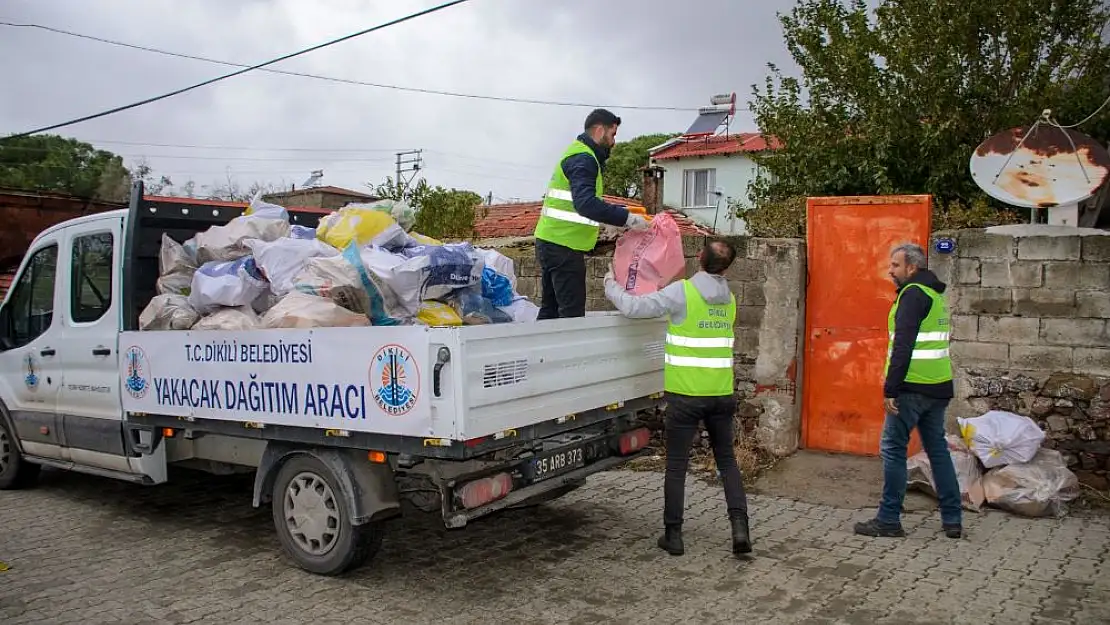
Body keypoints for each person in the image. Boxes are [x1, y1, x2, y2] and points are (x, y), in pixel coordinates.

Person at [603, 239, 751, 556]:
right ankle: (740, 529)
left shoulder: (682, 291)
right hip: (721, 394)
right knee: (727, 462)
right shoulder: (731, 300)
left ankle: (674, 535)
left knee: (677, 466)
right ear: (727, 268)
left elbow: (634, 308)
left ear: (699, 258)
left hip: (685, 396)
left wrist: (610, 284)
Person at [854, 243, 963, 540]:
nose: (890, 271)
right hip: (938, 386)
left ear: (912, 268)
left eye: (895, 266)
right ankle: (953, 519)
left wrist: (891, 389)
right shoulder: (934, 294)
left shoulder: (913, 295)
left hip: (911, 387)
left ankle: (889, 519)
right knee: (938, 451)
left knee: (892, 449)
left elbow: (903, 345)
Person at [534, 108, 650, 320]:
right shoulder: (584, 159)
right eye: (612, 134)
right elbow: (585, 204)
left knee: (550, 310)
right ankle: (565, 353)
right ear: (599, 130)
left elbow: (582, 203)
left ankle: (542, 353)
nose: (614, 141)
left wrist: (613, 216)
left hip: (552, 240)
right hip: (563, 245)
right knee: (571, 314)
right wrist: (627, 219)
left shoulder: (578, 153)